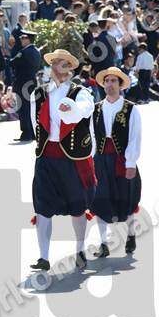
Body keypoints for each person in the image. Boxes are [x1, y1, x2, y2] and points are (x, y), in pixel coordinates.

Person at [29, 49, 95, 271]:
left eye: (62, 63)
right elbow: (35, 124)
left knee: (77, 207)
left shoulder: (81, 92)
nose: (57, 67)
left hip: (72, 158)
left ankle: (80, 251)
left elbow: (85, 111)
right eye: (54, 63)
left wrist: (72, 109)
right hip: (46, 156)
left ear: (69, 68)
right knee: (42, 207)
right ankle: (43, 257)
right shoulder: (38, 94)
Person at [90, 67, 142, 257]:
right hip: (100, 159)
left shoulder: (130, 108)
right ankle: (103, 244)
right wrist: (90, 161)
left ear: (120, 85)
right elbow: (92, 137)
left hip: (122, 159)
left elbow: (135, 137)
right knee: (99, 200)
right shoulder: (96, 109)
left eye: (113, 81)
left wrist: (131, 163)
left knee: (126, 199)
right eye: (107, 81)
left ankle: (131, 234)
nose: (110, 84)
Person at [9, 30, 41, 141]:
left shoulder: (24, 52)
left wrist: (5, 60)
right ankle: (32, 132)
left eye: (23, 38)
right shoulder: (36, 51)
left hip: (23, 83)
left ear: (28, 40)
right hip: (31, 82)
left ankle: (26, 133)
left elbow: (12, 63)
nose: (21, 40)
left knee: (23, 109)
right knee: (30, 108)